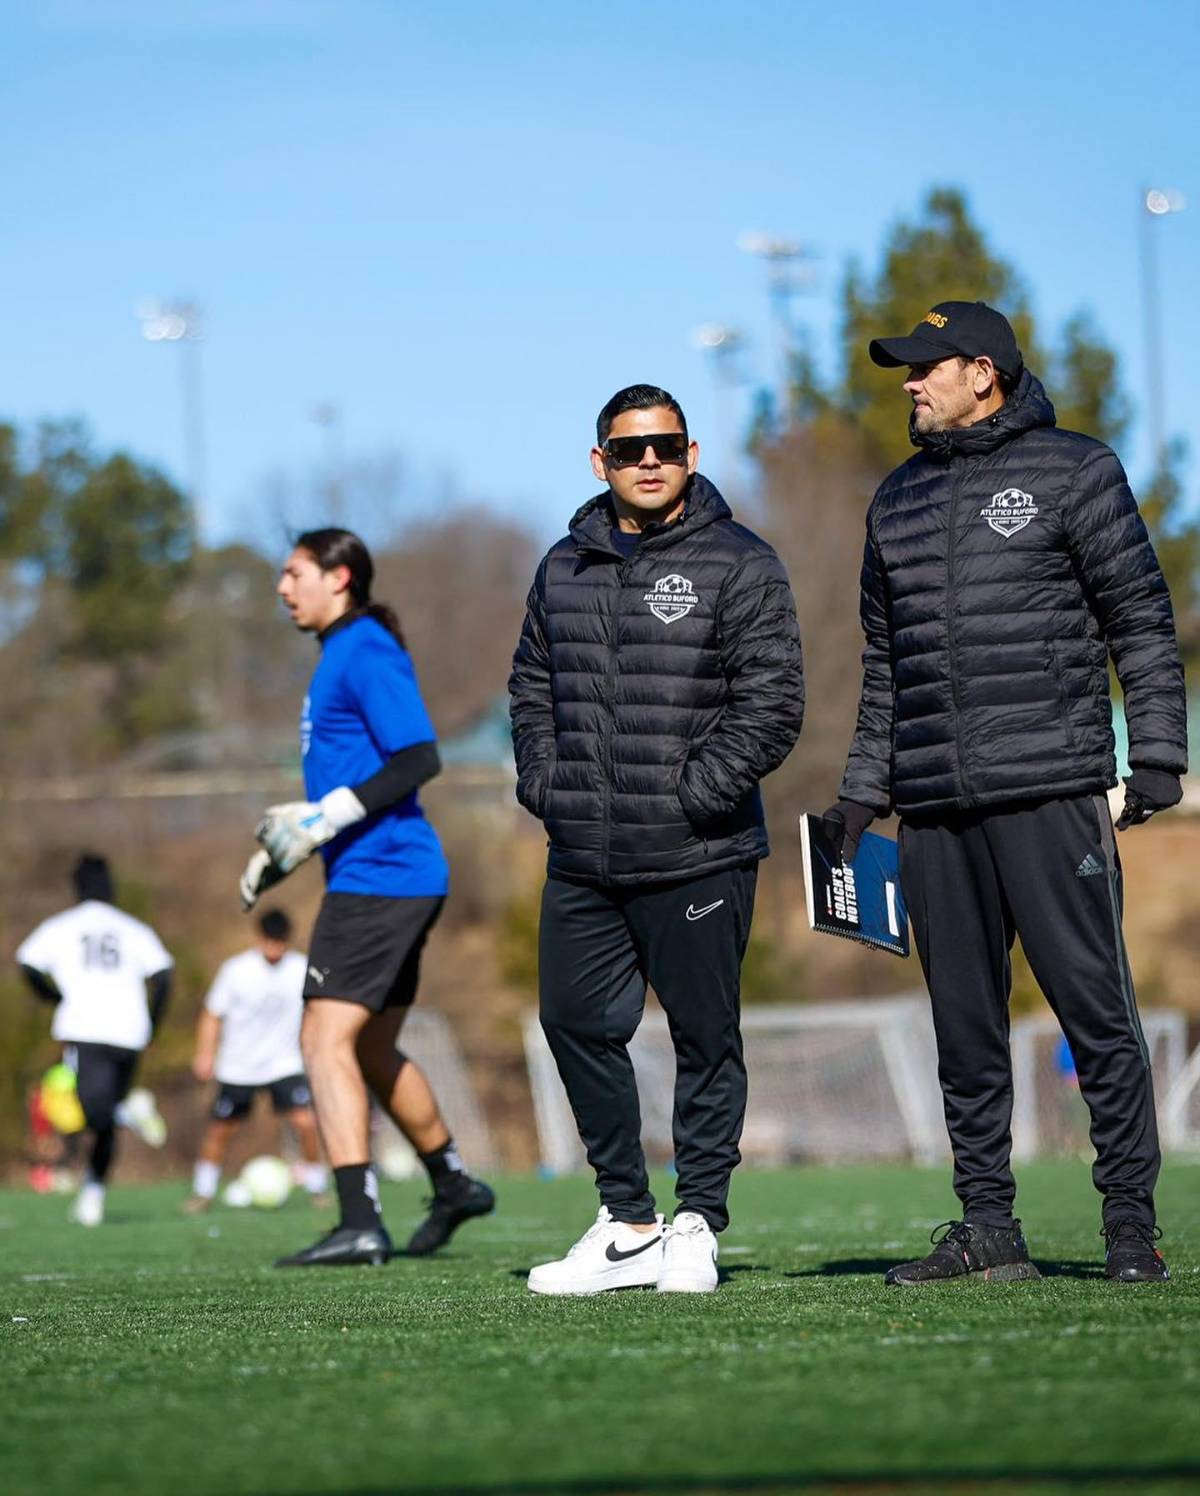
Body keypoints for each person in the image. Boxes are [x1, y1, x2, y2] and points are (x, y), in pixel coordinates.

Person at [823, 301, 1187, 1286]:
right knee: (965, 1028)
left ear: (982, 372)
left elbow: (1141, 622)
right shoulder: (895, 499)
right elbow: (887, 668)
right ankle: (988, 1226)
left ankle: (1130, 1227)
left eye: (926, 367)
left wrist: (1157, 751)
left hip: (1051, 790)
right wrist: (861, 794)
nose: (910, 383)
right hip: (933, 807)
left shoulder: (1077, 471)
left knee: (1095, 1012)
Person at [509, 384, 804, 1295]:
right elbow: (530, 685)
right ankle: (629, 1223)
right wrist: (546, 784)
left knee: (704, 1036)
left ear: (691, 454)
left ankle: (697, 1221)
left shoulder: (741, 562)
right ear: (599, 460)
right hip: (583, 853)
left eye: (666, 447)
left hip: (696, 852)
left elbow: (773, 704)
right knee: (573, 1024)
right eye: (631, 448)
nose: (650, 461)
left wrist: (692, 796)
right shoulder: (562, 565)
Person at [241, 527, 494, 1267]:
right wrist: (292, 846)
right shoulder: (337, 655)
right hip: (388, 875)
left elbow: (420, 757)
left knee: (321, 1039)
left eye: (294, 573)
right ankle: (452, 1183)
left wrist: (328, 817)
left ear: (340, 576)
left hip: (382, 877)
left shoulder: (364, 649)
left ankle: (358, 1219)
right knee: (372, 1047)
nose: (283, 588)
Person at [16, 854, 173, 1227]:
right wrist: (152, 1025)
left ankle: (127, 1112)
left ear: (77, 887)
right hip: (131, 1031)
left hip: (86, 1029)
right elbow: (164, 977)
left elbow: (28, 964)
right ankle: (93, 1194)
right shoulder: (134, 929)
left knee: (94, 1112)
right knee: (104, 1117)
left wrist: (53, 997)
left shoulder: (62, 926)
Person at [182, 908, 328, 1214]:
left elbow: (317, 1012)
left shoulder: (301, 968)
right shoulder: (236, 970)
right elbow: (212, 1014)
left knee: (306, 1123)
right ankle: (202, 1192)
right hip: (239, 1067)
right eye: (270, 941)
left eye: (280, 942)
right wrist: (205, 1053)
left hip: (284, 1063)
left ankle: (317, 1188)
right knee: (221, 1130)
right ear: (260, 938)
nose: (275, 949)